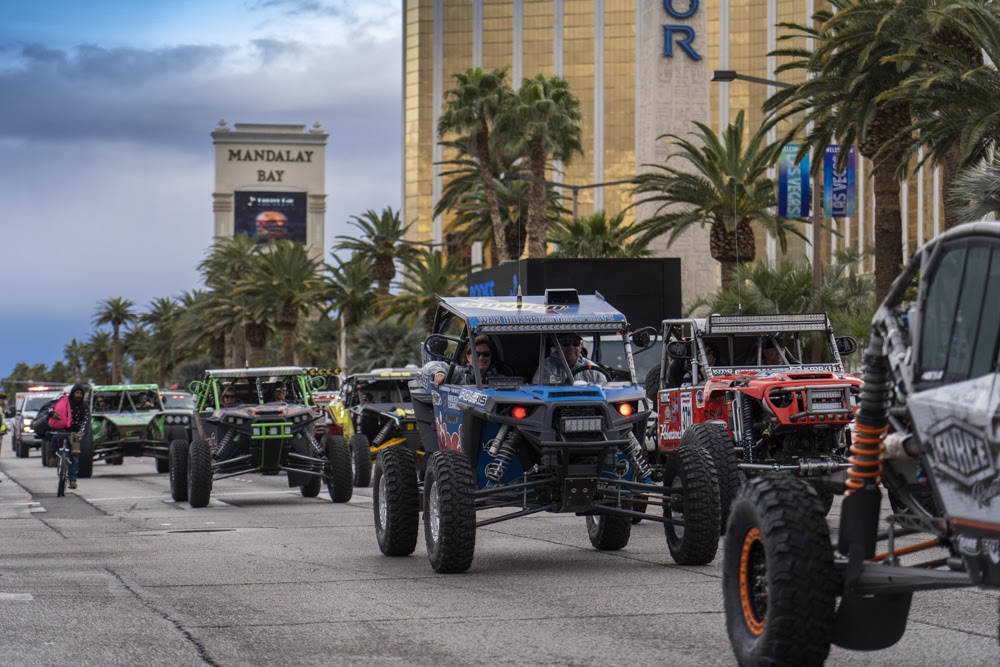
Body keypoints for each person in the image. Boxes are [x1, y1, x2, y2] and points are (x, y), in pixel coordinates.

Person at [48, 384, 89, 490]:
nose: (78, 395)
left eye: (81, 393)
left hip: (75, 433)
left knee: (74, 456)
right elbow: (50, 408)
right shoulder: (65, 401)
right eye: (77, 393)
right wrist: (52, 414)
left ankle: (73, 480)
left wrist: (82, 432)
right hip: (62, 429)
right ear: (73, 393)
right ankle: (53, 456)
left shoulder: (85, 406)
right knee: (55, 438)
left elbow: (86, 420)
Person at [533, 332, 607, 385]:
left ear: (581, 346)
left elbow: (605, 391)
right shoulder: (546, 367)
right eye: (565, 343)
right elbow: (537, 390)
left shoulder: (593, 369)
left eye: (575, 343)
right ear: (557, 346)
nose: (571, 347)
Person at [426, 335, 499, 387]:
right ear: (468, 357)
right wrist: (440, 372)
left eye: (486, 354)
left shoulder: (500, 379)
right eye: (477, 354)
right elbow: (430, 366)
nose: (481, 358)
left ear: (491, 356)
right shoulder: (459, 373)